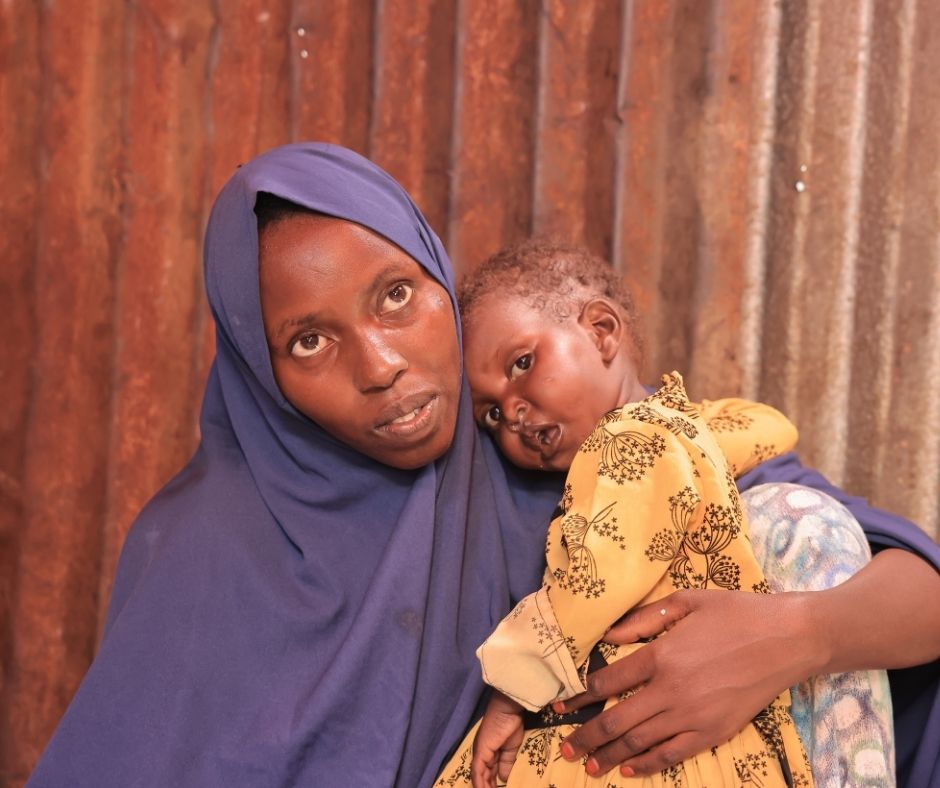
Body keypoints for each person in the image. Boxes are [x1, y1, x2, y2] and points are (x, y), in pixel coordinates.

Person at [24, 143, 940, 788]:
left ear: (437, 276)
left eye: (396, 296)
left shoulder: (555, 457)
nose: (380, 363)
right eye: (308, 342)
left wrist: (787, 641)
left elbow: (916, 592)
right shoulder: (199, 554)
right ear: (261, 376)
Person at [435, 241, 820, 786]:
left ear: (601, 330)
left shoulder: (629, 439)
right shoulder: (684, 435)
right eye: (491, 413)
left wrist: (508, 694)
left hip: (633, 729)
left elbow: (592, 583)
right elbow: (768, 425)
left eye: (522, 364)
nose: (513, 414)